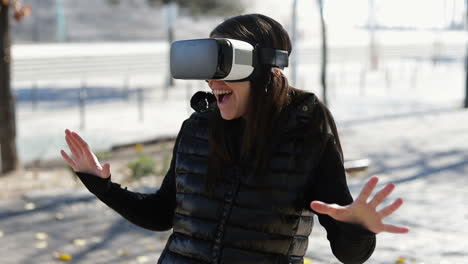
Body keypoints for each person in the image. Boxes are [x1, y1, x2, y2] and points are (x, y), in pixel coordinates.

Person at [61, 14, 409, 264]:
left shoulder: (307, 131)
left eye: (222, 66)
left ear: (262, 68)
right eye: (209, 68)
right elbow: (162, 215)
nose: (212, 81)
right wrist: (101, 184)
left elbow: (350, 254)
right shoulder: (197, 128)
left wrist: (358, 227)